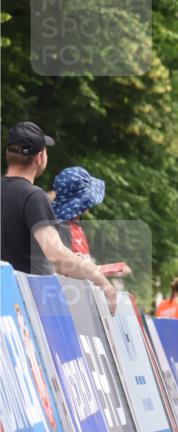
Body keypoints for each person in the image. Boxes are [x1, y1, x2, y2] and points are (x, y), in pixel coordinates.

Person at [1, 122, 118, 312]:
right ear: (40, 157)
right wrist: (101, 281)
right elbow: (56, 255)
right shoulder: (33, 197)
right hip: (25, 309)